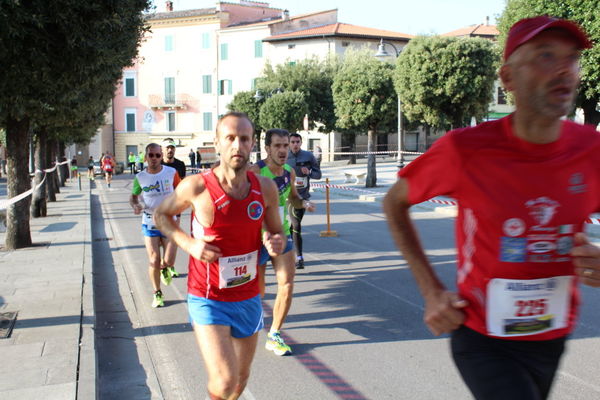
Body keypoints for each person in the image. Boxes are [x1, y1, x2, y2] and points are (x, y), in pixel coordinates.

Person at [383, 16, 599, 400]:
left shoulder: (590, 149)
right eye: (546, 56)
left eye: (572, 58)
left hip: (552, 336)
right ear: (508, 78)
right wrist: (431, 290)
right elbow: (394, 202)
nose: (565, 69)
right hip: (483, 338)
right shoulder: (465, 150)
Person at [154, 112, 284, 400]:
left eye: (244, 139)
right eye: (230, 138)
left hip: (248, 295)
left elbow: (276, 232)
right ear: (217, 143)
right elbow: (160, 215)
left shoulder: (265, 189)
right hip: (208, 296)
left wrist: (274, 241)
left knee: (240, 379)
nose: (237, 145)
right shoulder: (197, 187)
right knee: (225, 381)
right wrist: (189, 245)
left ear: (253, 144)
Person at [249, 128, 315, 356]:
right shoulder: (256, 172)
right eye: (277, 146)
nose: (283, 150)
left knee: (286, 284)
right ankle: (252, 321)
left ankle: (274, 334)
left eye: (286, 145)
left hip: (281, 235)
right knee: (258, 290)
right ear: (267, 148)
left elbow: (293, 199)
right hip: (255, 240)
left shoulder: (289, 172)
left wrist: (303, 204)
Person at [130, 143, 181, 308]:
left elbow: (182, 191)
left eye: (157, 155)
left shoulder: (171, 172)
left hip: (168, 221)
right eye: (151, 155)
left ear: (161, 156)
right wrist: (135, 205)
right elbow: (133, 197)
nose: (154, 159)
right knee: (153, 260)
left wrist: (178, 213)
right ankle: (157, 293)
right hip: (149, 222)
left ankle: (166, 267)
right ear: (146, 157)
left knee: (168, 260)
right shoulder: (140, 177)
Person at [287, 133, 321, 269]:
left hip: (303, 196)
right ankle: (299, 257)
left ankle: (293, 251)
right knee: (296, 225)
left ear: (301, 143)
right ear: (289, 143)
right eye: (292, 142)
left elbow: (318, 175)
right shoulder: (284, 157)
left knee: (294, 226)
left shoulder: (308, 156)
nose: (295, 144)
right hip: (288, 196)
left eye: (297, 142)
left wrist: (309, 173)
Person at [160, 138, 186, 278]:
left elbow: (180, 186)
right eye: (167, 148)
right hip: (159, 207)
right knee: (161, 238)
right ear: (162, 149)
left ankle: (170, 265)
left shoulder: (180, 165)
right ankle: (163, 265)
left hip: (175, 206)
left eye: (172, 148)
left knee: (173, 237)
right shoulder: (158, 163)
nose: (170, 150)